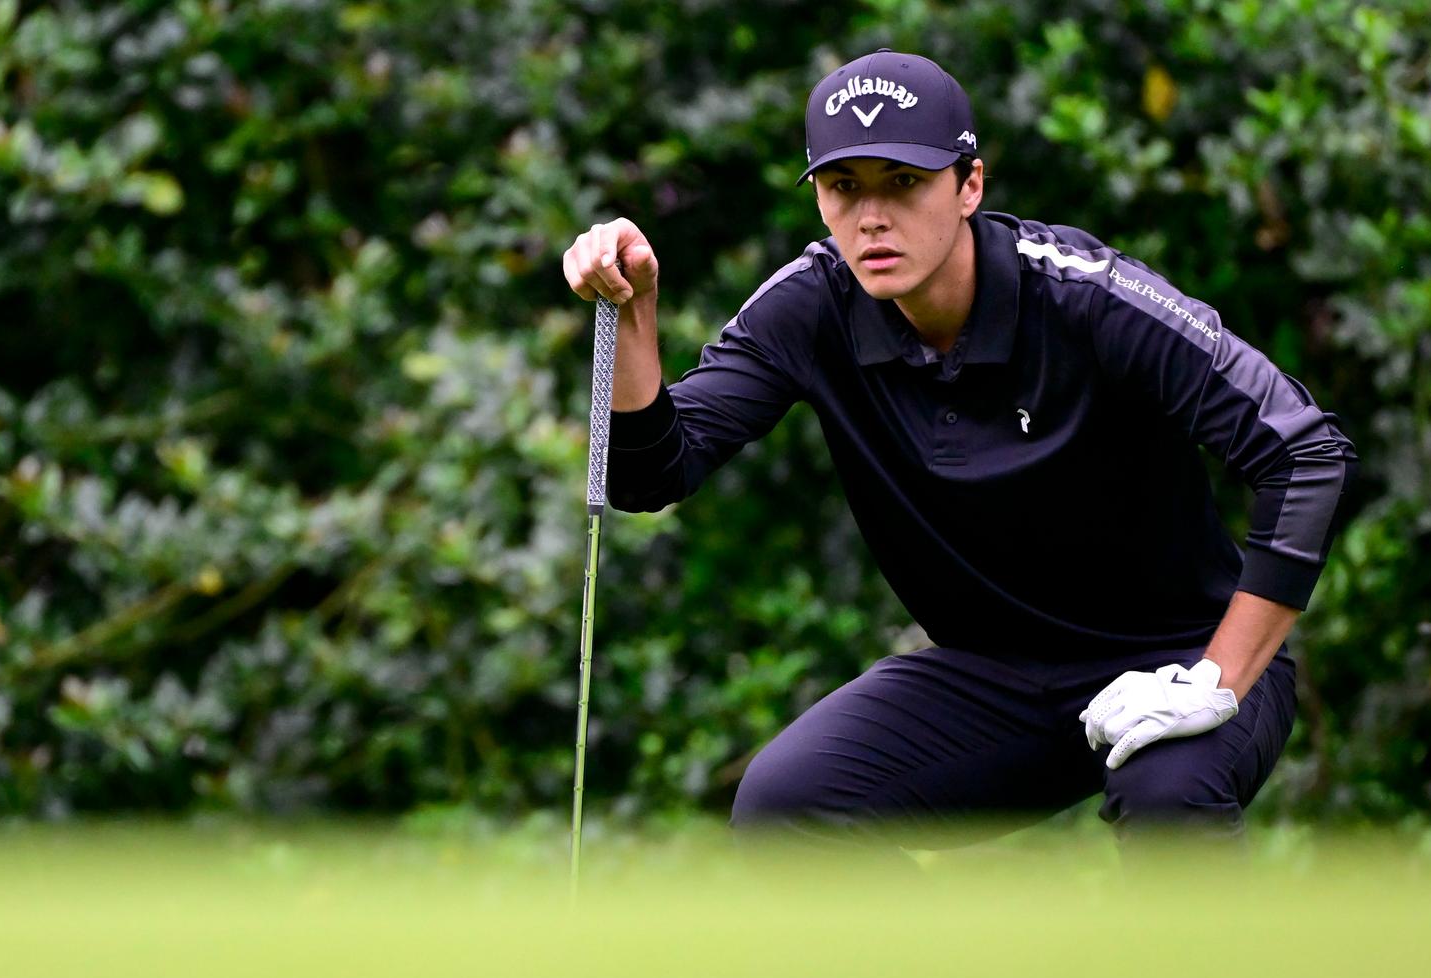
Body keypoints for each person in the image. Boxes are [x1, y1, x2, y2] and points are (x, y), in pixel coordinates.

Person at [559, 49, 1356, 844]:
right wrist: (633, 313)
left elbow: (1305, 453)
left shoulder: (1085, 295)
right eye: (844, 187)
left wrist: (1217, 678)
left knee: (1167, 797)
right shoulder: (811, 307)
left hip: (1183, 654)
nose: (872, 217)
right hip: (993, 677)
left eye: (903, 182)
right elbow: (650, 474)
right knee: (785, 806)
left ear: (969, 184)